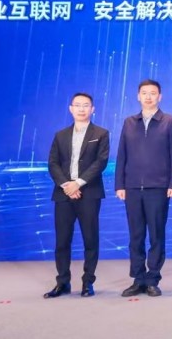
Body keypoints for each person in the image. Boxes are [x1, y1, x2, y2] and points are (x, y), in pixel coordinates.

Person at [115, 79, 172, 297]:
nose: (148, 97)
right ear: (138, 96)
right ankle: (138, 278)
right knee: (135, 235)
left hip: (158, 188)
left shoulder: (170, 122)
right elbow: (122, 155)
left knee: (156, 235)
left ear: (159, 97)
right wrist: (120, 184)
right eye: (144, 93)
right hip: (132, 187)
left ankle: (153, 278)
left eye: (153, 93)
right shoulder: (129, 122)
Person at [44, 92, 109, 298]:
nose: (82, 109)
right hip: (63, 194)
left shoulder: (101, 133)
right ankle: (62, 282)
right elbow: (53, 163)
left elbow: (101, 162)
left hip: (89, 192)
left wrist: (78, 183)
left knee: (90, 239)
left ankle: (88, 282)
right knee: (62, 240)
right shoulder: (60, 135)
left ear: (93, 109)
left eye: (86, 105)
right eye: (78, 105)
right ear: (71, 109)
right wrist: (66, 185)